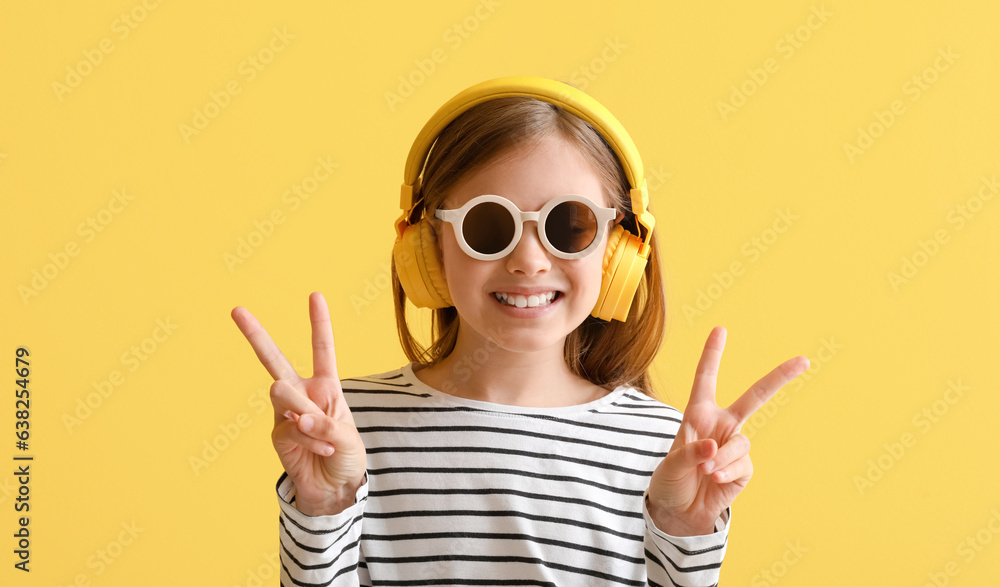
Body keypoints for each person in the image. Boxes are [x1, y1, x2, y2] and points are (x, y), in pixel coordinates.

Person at [231, 76, 810, 586]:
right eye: (489, 225)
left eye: (569, 225)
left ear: (619, 253)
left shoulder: (670, 447)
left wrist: (684, 532)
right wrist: (325, 502)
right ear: (426, 247)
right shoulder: (342, 429)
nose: (530, 261)